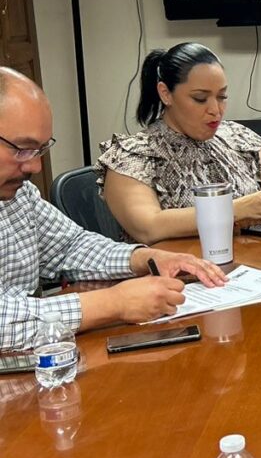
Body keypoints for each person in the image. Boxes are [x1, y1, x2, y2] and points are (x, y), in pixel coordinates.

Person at [0, 68, 225, 358]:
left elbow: (71, 247)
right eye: (22, 149)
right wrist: (113, 303)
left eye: (40, 150)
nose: (35, 166)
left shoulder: (19, 195)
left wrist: (144, 259)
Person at [98, 42, 261, 245]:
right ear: (165, 93)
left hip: (253, 261)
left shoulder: (238, 137)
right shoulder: (131, 156)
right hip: (179, 267)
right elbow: (149, 227)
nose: (216, 110)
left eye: (222, 97)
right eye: (200, 98)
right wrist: (235, 210)